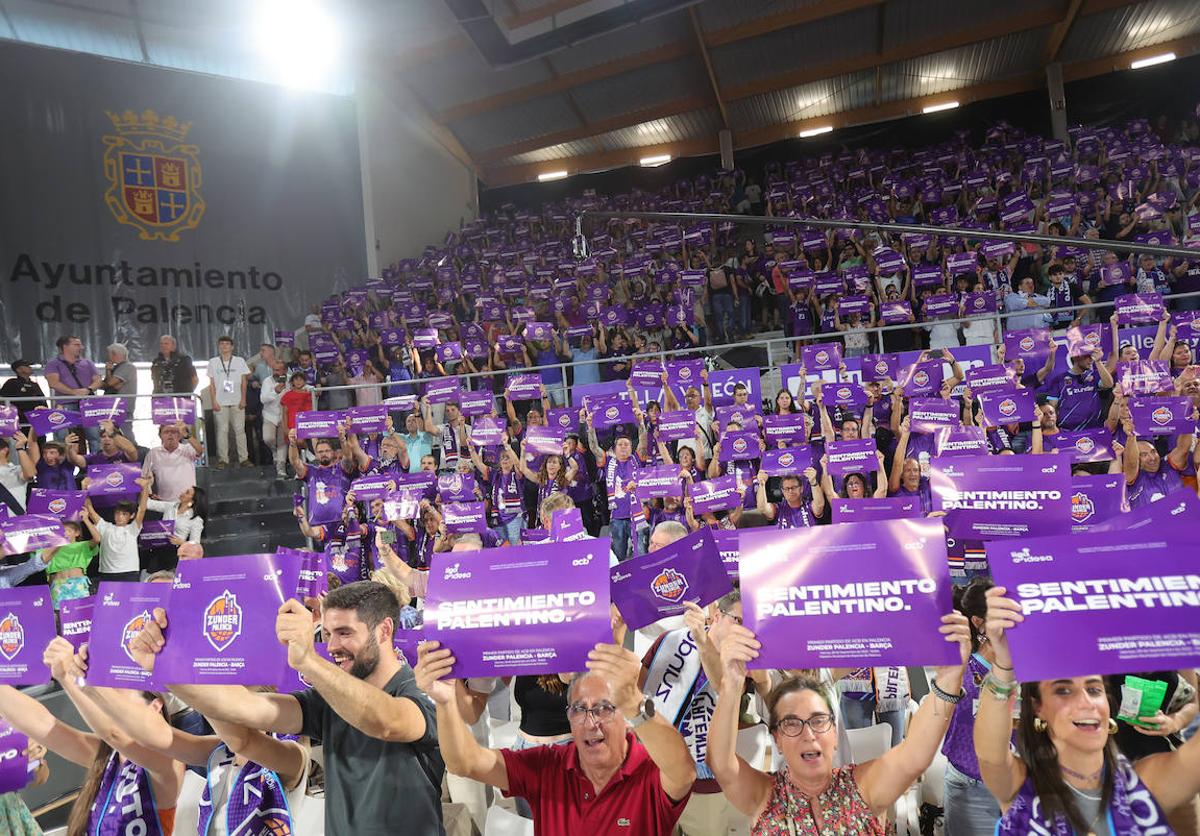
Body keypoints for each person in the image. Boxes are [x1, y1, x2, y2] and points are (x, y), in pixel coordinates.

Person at [129, 580, 446, 836]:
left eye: (345, 633)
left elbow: (388, 722)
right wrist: (167, 667)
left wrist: (308, 661)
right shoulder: (328, 700)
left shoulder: (422, 689)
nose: (332, 646)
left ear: (385, 630)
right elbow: (243, 708)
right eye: (328, 634)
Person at [707, 614, 971, 835]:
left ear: (835, 732)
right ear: (776, 738)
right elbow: (722, 765)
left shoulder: (864, 788)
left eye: (818, 720)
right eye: (792, 723)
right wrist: (731, 684)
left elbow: (914, 755)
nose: (808, 734)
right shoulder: (763, 796)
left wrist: (947, 681)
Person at [415, 638, 696, 835]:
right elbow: (463, 762)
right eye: (579, 709)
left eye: (604, 708)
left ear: (626, 715)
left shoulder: (647, 769)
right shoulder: (549, 766)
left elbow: (683, 773)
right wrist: (445, 700)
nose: (590, 722)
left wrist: (636, 703)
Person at [975, 586, 1200, 833]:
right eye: (1063, 690)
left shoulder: (1147, 781)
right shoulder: (1020, 785)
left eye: (1094, 690)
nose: (1086, 702)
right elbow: (990, 756)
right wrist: (1005, 663)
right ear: (1038, 708)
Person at [0, 646, 184, 836]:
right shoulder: (108, 755)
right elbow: (44, 725)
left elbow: (114, 734)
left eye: (116, 698)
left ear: (155, 706)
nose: (106, 702)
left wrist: (69, 678)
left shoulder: (171, 758)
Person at [941, 578, 1003, 836]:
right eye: (999, 615)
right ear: (979, 622)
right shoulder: (960, 669)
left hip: (1020, 786)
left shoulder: (1023, 667)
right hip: (972, 788)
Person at [80, 474, 150, 583]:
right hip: (107, 573)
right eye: (117, 513)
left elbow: (142, 509)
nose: (119, 516)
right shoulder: (104, 527)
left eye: (124, 514)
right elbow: (90, 510)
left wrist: (145, 488)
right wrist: (84, 488)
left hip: (129, 572)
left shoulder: (133, 528)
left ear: (131, 516)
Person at [43, 334, 102, 448]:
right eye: (76, 344)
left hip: (88, 404)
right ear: (65, 346)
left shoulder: (87, 363)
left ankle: (95, 463)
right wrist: (74, 392)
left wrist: (88, 389)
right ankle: (63, 463)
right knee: (62, 438)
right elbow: (53, 383)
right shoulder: (53, 363)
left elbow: (98, 380)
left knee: (95, 436)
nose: (81, 347)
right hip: (65, 404)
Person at [207, 336, 252, 469]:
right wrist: (213, 401)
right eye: (222, 344)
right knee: (222, 430)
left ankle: (244, 459)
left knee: (240, 430)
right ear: (219, 346)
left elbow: (244, 381)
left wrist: (243, 398)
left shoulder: (239, 361)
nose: (224, 346)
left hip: (237, 400)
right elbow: (212, 384)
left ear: (232, 347)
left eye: (227, 344)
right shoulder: (213, 362)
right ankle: (223, 460)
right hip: (220, 402)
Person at [42, 519, 98, 609]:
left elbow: (97, 539)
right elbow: (41, 558)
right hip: (58, 585)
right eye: (62, 531)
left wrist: (86, 520)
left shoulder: (82, 545)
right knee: (59, 616)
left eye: (69, 531)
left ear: (77, 533)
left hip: (78, 584)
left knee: (81, 615)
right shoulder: (50, 548)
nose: (65, 533)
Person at [141, 421, 202, 502]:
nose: (170, 435)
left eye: (174, 432)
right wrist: (150, 494)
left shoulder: (187, 449)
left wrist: (187, 435)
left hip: (188, 501)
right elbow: (144, 477)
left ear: (180, 436)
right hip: (165, 503)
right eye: (166, 432)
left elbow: (200, 451)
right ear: (160, 436)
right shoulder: (153, 453)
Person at [755, 469, 824, 528]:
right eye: (787, 488)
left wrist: (813, 482)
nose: (790, 491)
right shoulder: (777, 508)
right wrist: (762, 484)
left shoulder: (809, 505)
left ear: (801, 488)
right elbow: (762, 508)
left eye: (794, 487)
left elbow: (819, 505)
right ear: (782, 491)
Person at [0, 359, 47, 438]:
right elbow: (3, 400)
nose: (30, 367)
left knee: (40, 441)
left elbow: (42, 400)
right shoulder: (11, 383)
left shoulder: (34, 384)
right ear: (19, 369)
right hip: (21, 420)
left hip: (36, 419)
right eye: (27, 366)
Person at [100, 343, 138, 436]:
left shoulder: (127, 367)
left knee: (125, 432)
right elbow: (106, 385)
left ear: (114, 354)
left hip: (123, 407)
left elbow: (110, 383)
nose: (108, 357)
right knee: (111, 432)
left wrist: (108, 371)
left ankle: (132, 448)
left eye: (109, 354)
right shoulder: (117, 368)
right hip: (113, 406)